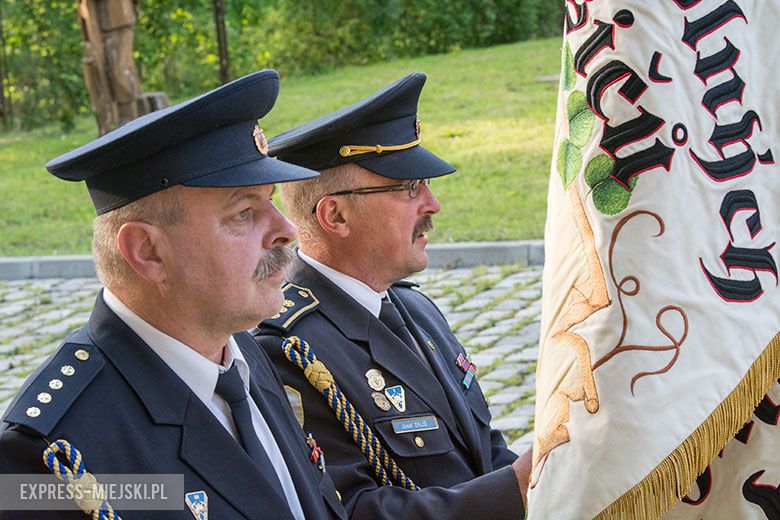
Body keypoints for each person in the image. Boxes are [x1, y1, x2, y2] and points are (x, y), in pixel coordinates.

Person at [0, 70, 346, 520]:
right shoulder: (56, 453)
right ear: (147, 252)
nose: (286, 231)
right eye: (243, 213)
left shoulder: (240, 356)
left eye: (272, 201)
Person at [253, 73, 530, 519]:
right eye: (408, 188)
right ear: (336, 215)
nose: (432, 204)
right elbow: (353, 508)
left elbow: (483, 452)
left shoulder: (415, 309)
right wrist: (515, 490)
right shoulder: (287, 349)